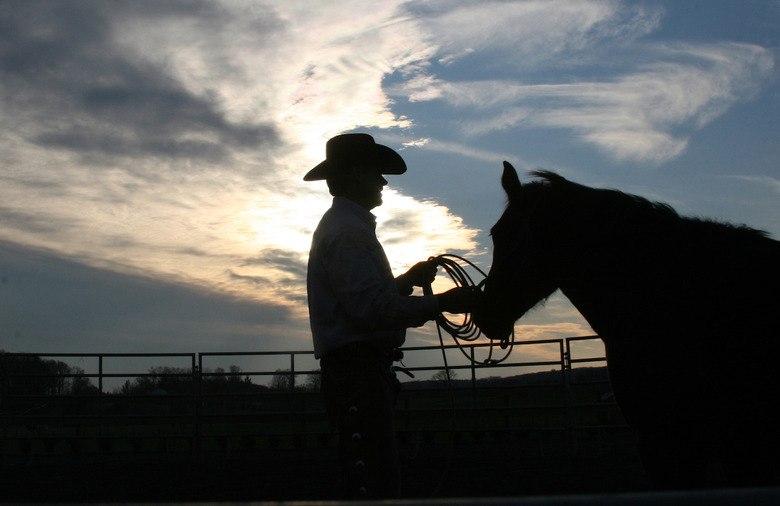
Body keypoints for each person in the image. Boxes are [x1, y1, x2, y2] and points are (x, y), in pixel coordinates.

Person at [304, 133, 477, 499]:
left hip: (357, 375)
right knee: (375, 483)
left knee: (369, 476)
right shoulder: (349, 233)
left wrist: (406, 282)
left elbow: (361, 303)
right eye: (376, 171)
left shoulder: (344, 228)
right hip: (360, 377)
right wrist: (442, 303)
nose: (384, 181)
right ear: (355, 174)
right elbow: (373, 311)